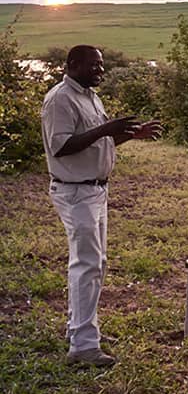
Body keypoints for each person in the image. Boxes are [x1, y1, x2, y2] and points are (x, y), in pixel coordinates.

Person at [41, 45, 162, 367]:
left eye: (102, 65)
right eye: (94, 66)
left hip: (95, 190)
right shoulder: (60, 99)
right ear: (72, 65)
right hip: (75, 192)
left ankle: (82, 329)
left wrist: (130, 135)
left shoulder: (90, 96)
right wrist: (106, 129)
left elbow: (98, 141)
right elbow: (62, 147)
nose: (101, 71)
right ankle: (82, 347)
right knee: (86, 265)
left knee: (96, 263)